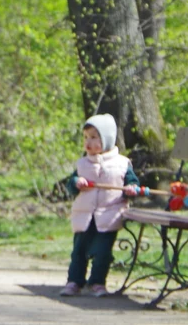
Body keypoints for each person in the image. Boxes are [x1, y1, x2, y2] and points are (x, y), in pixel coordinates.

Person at [60, 113, 141, 297]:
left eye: (94, 137)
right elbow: (71, 186)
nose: (88, 142)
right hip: (85, 214)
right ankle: (74, 281)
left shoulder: (122, 163)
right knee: (79, 251)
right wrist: (76, 183)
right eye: (86, 137)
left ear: (106, 139)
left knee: (103, 253)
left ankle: (97, 282)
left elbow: (132, 182)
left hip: (109, 214)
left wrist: (131, 188)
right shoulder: (82, 164)